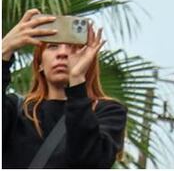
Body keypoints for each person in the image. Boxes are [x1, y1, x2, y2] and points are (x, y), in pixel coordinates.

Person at [2, 10, 127, 168]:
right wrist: (3, 52)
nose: (62, 53)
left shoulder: (108, 112)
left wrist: (76, 81)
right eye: (53, 46)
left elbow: (89, 161)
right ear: (40, 63)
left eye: (73, 48)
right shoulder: (15, 110)